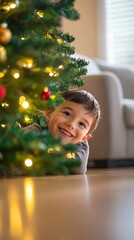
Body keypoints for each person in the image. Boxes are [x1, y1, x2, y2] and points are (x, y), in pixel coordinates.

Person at [23, 89, 101, 174]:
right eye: (67, 114)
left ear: (85, 137)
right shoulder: (38, 129)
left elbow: (78, 167)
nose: (71, 124)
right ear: (49, 113)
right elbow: (17, 141)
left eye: (81, 124)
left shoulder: (80, 145)